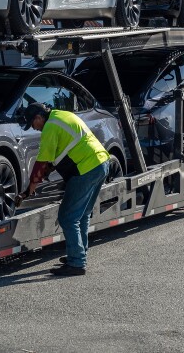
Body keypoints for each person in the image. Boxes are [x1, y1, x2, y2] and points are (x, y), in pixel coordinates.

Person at [19, 102, 110, 276]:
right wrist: (48, 171)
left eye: (32, 123)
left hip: (85, 169)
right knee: (81, 215)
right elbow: (63, 150)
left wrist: (31, 186)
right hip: (101, 163)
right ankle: (78, 254)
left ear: (38, 117)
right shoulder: (62, 115)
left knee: (67, 217)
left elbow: (41, 162)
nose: (34, 128)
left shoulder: (50, 127)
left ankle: (76, 263)